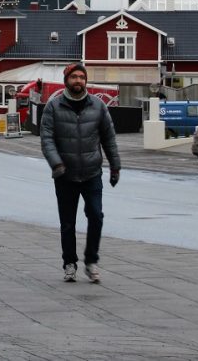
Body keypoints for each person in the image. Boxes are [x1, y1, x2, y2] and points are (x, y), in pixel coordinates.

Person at [40, 62, 121, 284]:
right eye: (74, 77)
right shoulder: (54, 107)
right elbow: (46, 139)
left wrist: (115, 166)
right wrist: (56, 164)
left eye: (82, 77)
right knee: (67, 223)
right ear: (66, 80)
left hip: (92, 172)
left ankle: (91, 261)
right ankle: (69, 263)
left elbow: (109, 138)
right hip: (65, 174)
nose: (78, 81)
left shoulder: (98, 106)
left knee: (96, 216)